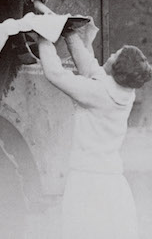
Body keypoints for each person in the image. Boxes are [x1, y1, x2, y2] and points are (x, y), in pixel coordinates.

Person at [36, 27, 151, 239]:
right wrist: (69, 33)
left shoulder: (98, 93)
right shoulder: (126, 92)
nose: (110, 54)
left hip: (86, 182)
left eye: (115, 55)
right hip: (113, 182)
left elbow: (54, 73)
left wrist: (44, 34)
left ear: (118, 68)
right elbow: (89, 67)